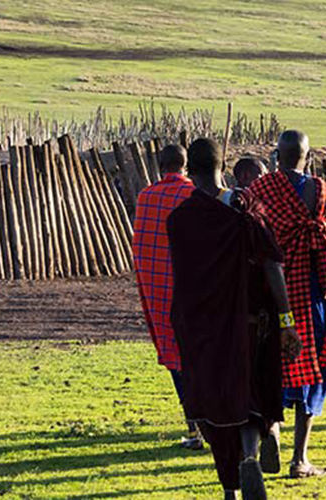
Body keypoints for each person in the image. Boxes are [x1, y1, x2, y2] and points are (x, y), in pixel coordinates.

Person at [167, 138, 301, 500]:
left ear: (189, 172)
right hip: (250, 324)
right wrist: (286, 321)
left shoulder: (180, 221)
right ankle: (252, 454)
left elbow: (184, 282)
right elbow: (273, 264)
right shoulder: (246, 208)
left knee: (216, 405)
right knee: (251, 398)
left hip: (203, 332)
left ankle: (229, 490)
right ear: (222, 165)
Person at [249, 130, 326, 479]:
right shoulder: (321, 191)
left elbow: (252, 243)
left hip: (273, 296)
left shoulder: (261, 191)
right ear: (307, 157)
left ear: (277, 156)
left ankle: (272, 431)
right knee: (313, 369)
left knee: (273, 365)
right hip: (313, 297)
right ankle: (299, 458)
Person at [131, 144, 202, 449]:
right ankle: (212, 425)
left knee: (175, 356)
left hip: (159, 290)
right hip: (195, 291)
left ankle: (194, 427)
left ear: (160, 166)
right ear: (186, 167)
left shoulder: (146, 197)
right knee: (201, 357)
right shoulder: (194, 194)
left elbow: (142, 248)